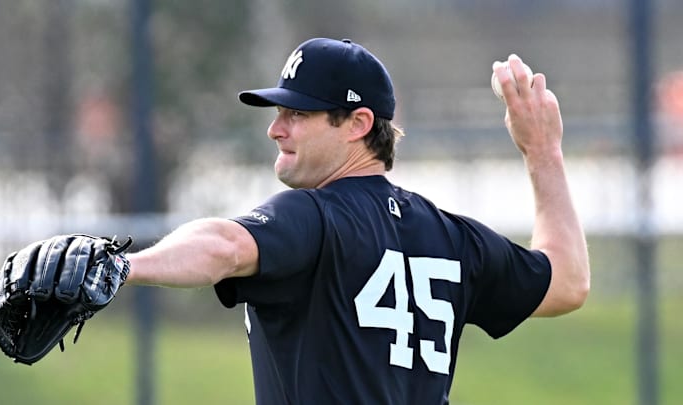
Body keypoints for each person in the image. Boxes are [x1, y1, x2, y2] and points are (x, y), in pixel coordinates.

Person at [126, 38, 590, 404]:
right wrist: (542, 151)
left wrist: (122, 267)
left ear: (358, 123)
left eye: (298, 113)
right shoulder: (451, 237)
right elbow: (567, 281)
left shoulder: (316, 216)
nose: (276, 128)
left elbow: (223, 246)